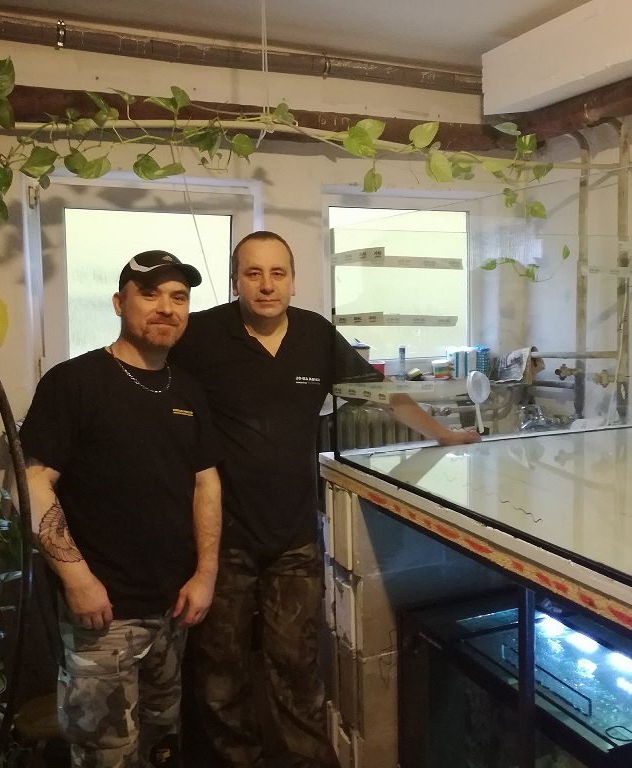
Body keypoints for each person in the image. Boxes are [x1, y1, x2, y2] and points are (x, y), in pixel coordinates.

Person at [169, 230, 477, 767]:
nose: (266, 286)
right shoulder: (202, 334)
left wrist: (444, 435)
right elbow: (149, 376)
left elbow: (381, 394)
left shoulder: (315, 334)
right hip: (223, 541)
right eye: (253, 273)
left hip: (293, 537)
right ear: (236, 280)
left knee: (298, 668)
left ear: (293, 280)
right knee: (221, 675)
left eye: (278, 273)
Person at [20, 250, 222, 768]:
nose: (166, 307)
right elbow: (32, 484)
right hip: (103, 615)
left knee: (161, 743)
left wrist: (205, 573)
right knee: (106, 754)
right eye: (149, 294)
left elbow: (205, 483)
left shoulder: (189, 390)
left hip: (174, 608)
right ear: (118, 303)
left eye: (179, 297)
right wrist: (77, 579)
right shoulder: (73, 383)